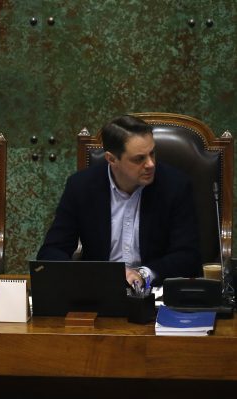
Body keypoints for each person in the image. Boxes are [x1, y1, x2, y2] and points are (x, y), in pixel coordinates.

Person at [37, 115, 201, 287]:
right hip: (99, 290)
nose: (151, 164)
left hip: (155, 291)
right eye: (139, 159)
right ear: (112, 159)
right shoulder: (81, 187)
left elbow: (188, 255)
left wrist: (142, 274)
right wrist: (92, 275)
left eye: (152, 153)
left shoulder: (175, 186)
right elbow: (52, 251)